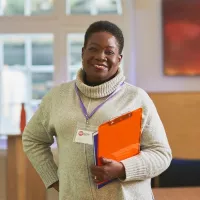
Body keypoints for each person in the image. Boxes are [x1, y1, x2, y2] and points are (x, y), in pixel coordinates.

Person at [22, 20, 172, 200]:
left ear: (119, 59)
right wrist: (53, 178)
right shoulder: (57, 97)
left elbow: (161, 154)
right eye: (93, 48)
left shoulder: (136, 98)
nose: (101, 56)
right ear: (83, 52)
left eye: (109, 51)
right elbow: (32, 139)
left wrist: (123, 169)